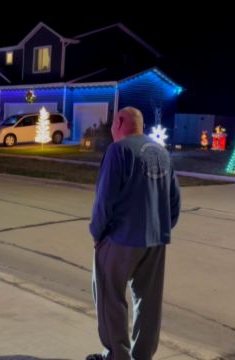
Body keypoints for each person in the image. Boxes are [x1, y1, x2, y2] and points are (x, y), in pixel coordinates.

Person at [87, 107, 181, 360]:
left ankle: (117, 356)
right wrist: (161, 227)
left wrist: (97, 232)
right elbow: (174, 200)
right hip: (156, 240)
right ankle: (142, 355)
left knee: (110, 298)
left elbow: (105, 199)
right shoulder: (161, 152)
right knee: (148, 302)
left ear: (118, 122)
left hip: (121, 238)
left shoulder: (118, 151)